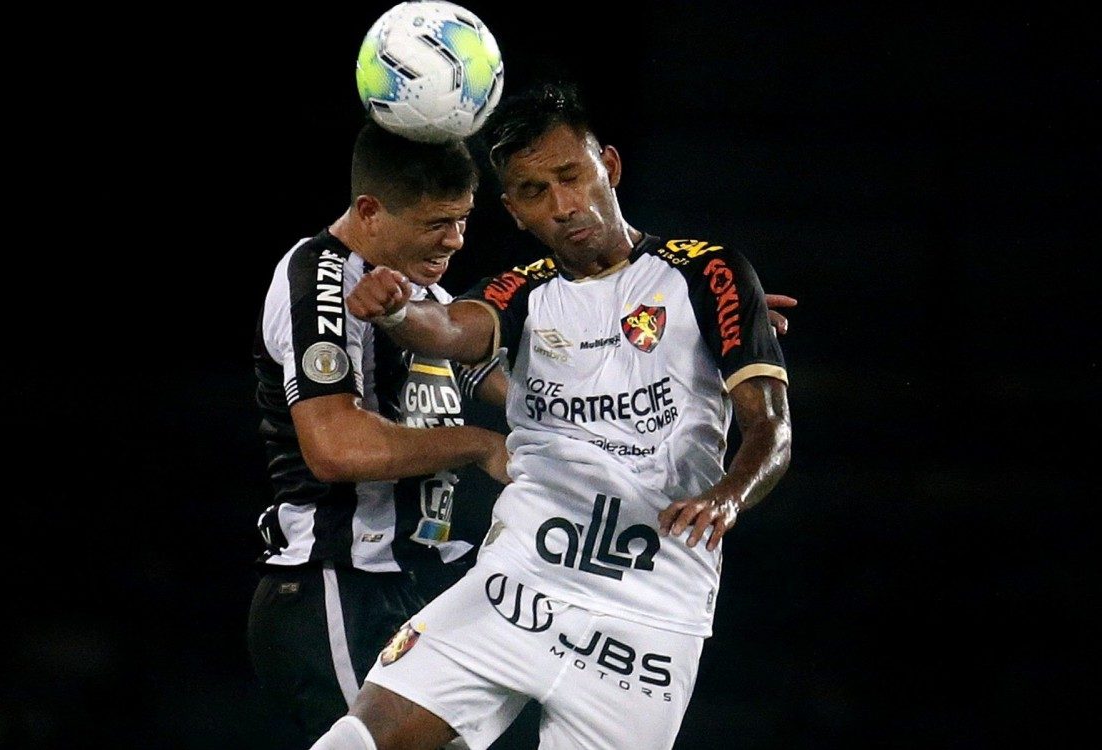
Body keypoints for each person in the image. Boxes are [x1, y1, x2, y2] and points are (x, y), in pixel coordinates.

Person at [310, 80, 794, 750]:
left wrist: (729, 497)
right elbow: (451, 327)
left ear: (611, 168)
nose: (564, 205)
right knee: (355, 741)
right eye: (536, 192)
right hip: (515, 588)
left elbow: (771, 428)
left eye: (573, 176)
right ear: (512, 209)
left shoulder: (708, 273)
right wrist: (397, 311)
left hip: (646, 623)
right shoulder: (523, 291)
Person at [246, 119, 513, 746]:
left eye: (463, 220)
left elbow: (527, 394)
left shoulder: (426, 299)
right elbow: (335, 447)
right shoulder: (317, 277)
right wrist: (478, 445)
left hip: (418, 591)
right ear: (369, 209)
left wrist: (685, 349)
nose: (455, 241)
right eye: (435, 224)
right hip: (336, 584)